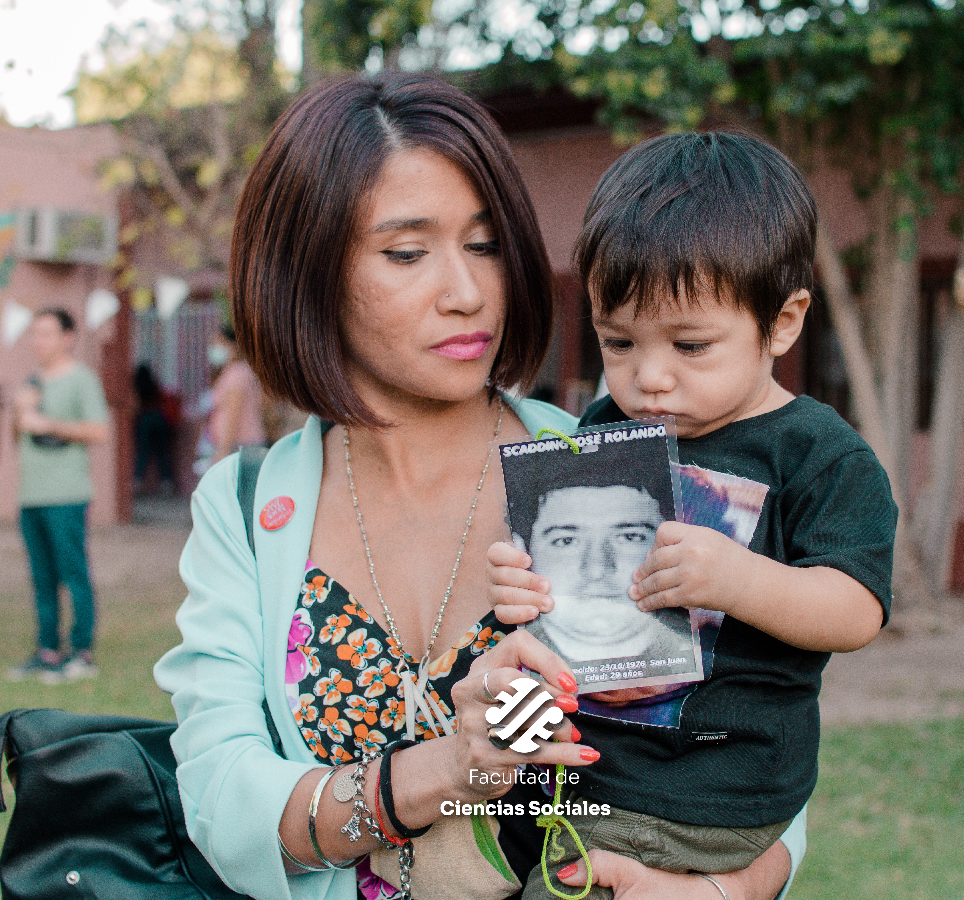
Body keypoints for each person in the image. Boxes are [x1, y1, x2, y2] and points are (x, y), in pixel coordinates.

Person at [153, 75, 806, 900]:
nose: (467, 293)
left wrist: (722, 892)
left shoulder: (610, 459)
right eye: (407, 252)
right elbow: (218, 796)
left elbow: (756, 731)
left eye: (487, 243)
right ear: (308, 270)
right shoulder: (246, 505)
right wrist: (442, 772)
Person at [488, 131, 897, 900]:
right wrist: (523, 587)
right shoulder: (606, 426)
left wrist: (739, 579)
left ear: (782, 321)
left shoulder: (819, 456)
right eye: (619, 341)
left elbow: (856, 611)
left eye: (691, 344)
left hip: (712, 793)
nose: (650, 377)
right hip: (580, 771)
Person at [507, 444, 694, 668]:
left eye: (629, 537)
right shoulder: (498, 661)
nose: (596, 570)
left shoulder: (719, 649)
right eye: (566, 541)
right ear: (523, 550)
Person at [8, 308, 109, 684]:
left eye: (48, 334)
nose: (39, 341)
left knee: (73, 572)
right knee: (41, 577)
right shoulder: (30, 383)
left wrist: (49, 423)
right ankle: (47, 650)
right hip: (31, 494)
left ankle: (81, 651)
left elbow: (99, 432)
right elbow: (18, 437)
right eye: (35, 333)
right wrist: (20, 412)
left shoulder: (81, 379)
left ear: (68, 337)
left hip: (66, 493)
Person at [204, 324, 266, 467]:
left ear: (233, 346)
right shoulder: (232, 373)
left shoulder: (236, 375)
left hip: (241, 448)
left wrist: (222, 451)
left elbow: (233, 415)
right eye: (213, 344)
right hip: (239, 447)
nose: (214, 348)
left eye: (219, 343)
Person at [134, 363, 179, 496]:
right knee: (162, 452)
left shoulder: (138, 386)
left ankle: (137, 482)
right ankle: (167, 483)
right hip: (160, 419)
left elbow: (135, 405)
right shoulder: (153, 385)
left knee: (143, 452)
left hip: (145, 419)